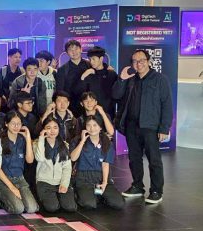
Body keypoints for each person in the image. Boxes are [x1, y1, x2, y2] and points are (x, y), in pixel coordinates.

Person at [113, 49, 173, 204]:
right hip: (131, 125)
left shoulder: (160, 79)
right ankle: (137, 186)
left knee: (154, 160)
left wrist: (164, 128)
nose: (138, 64)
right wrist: (121, 79)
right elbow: (116, 95)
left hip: (150, 126)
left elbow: (167, 105)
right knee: (134, 158)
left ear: (148, 61)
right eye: (135, 61)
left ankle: (156, 191)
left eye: (141, 60)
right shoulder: (131, 79)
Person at [70, 116, 124, 210]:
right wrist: (82, 141)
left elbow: (105, 164)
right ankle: (80, 194)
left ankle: (98, 195)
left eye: (95, 125)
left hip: (101, 176)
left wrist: (104, 182)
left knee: (119, 204)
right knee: (89, 204)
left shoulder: (107, 143)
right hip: (83, 178)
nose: (92, 128)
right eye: (88, 125)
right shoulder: (77, 140)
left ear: (100, 127)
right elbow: (73, 158)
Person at [0, 111, 38, 214]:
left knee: (32, 208)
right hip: (4, 181)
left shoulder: (22, 140)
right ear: (6, 124)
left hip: (20, 179)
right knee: (18, 209)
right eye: (13, 123)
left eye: (19, 123)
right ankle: (0, 199)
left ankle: (13, 198)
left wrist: (28, 138)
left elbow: (30, 160)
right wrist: (12, 188)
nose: (16, 126)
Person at [33, 116, 76, 213]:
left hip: (60, 181)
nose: (52, 131)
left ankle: (62, 197)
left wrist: (64, 184)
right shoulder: (37, 143)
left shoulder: (64, 145)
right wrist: (41, 139)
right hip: (44, 182)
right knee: (52, 208)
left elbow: (67, 168)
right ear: (43, 129)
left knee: (70, 207)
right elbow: (39, 158)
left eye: (55, 127)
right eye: (48, 128)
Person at [80, 46, 118, 118]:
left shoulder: (111, 74)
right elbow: (81, 93)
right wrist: (83, 76)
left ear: (101, 59)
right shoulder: (88, 74)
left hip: (108, 114)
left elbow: (117, 94)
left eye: (94, 59)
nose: (91, 62)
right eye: (90, 59)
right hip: (91, 116)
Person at [55, 40, 90, 116]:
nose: (74, 52)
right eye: (71, 50)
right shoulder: (62, 70)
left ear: (81, 49)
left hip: (89, 105)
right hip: (71, 107)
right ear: (67, 53)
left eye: (76, 49)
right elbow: (60, 91)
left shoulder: (89, 65)